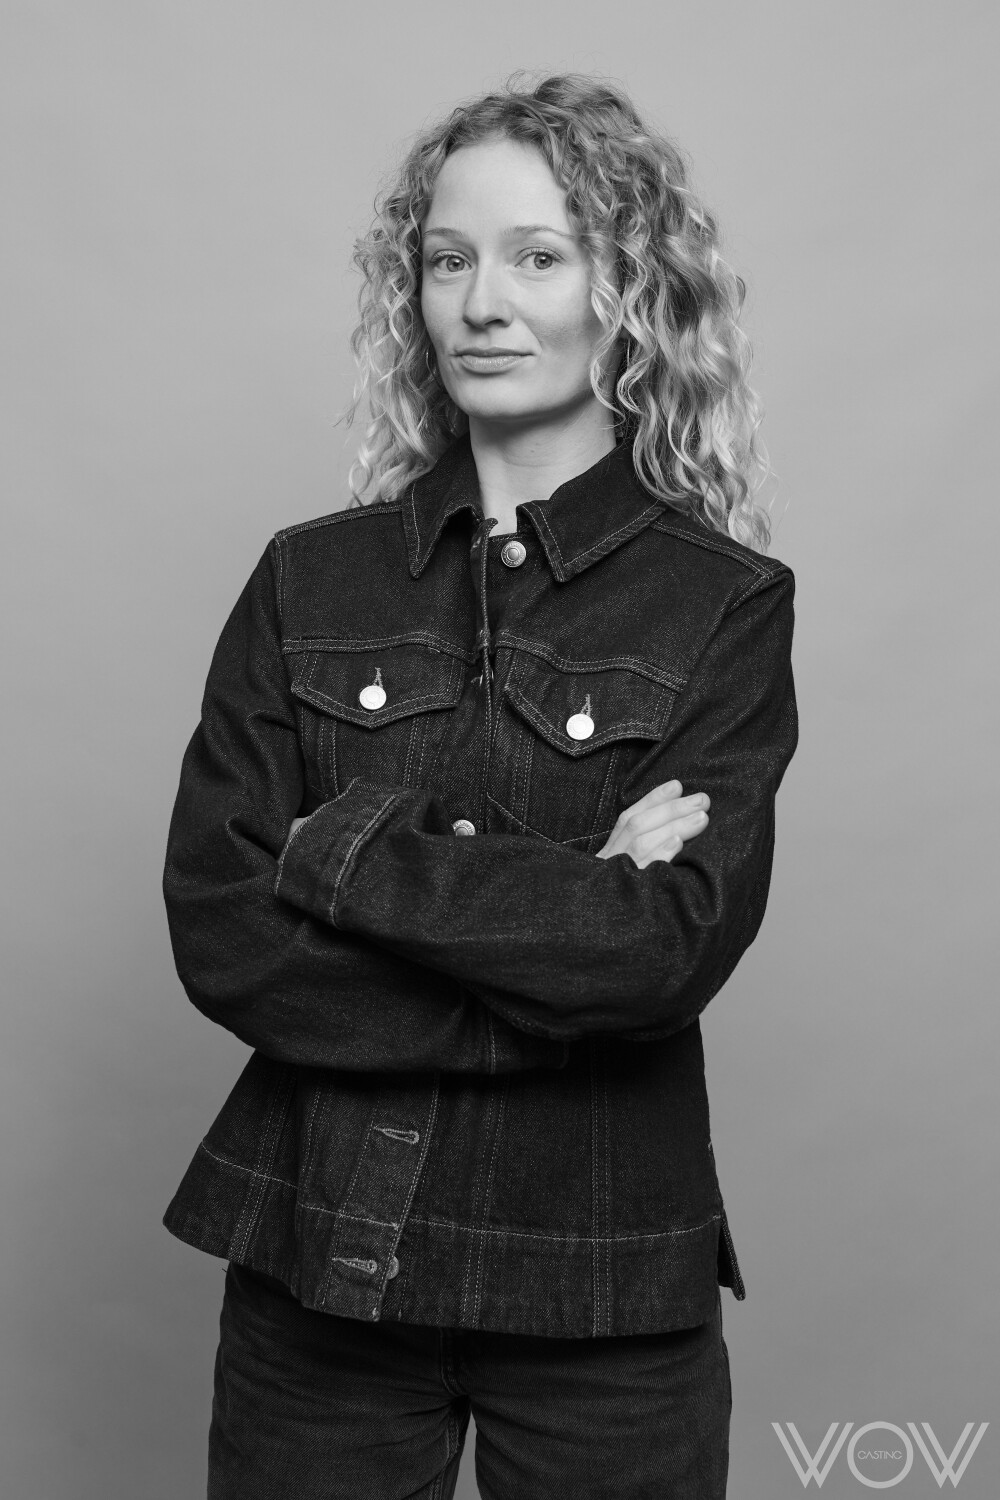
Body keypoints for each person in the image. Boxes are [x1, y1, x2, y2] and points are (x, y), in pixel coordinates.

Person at [162, 71, 798, 1500]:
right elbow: (222, 930)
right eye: (448, 260)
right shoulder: (308, 581)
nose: (481, 304)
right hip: (320, 1269)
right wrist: (564, 927)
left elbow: (663, 951)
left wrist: (339, 859)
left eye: (538, 256)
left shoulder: (725, 604)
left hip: (606, 1289)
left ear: (630, 293)